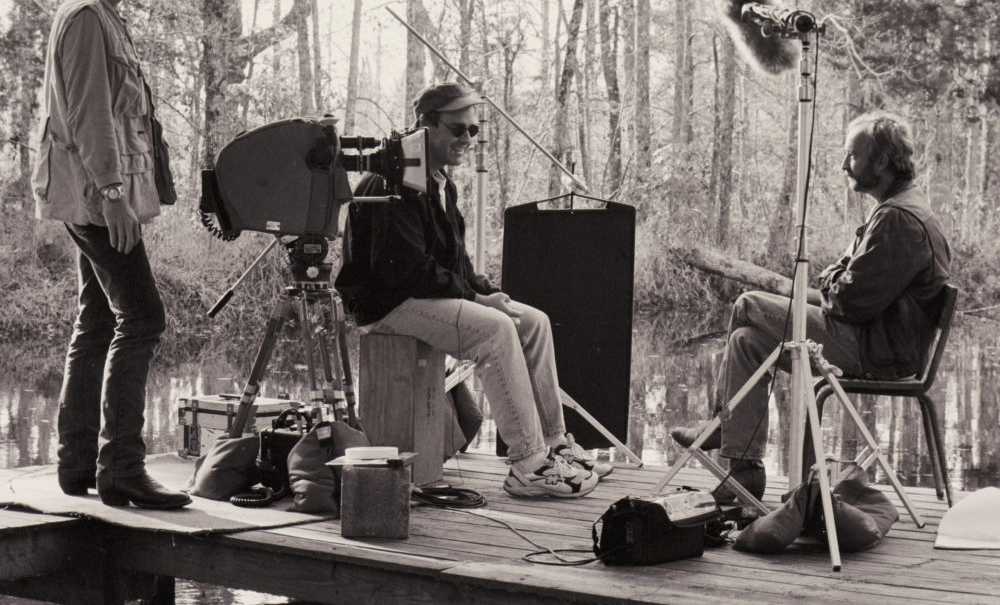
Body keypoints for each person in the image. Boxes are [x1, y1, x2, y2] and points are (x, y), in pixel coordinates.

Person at [335, 81, 611, 498]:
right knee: (494, 330)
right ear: (423, 127)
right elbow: (410, 273)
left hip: (421, 296)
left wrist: (488, 292)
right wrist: (480, 302)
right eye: (457, 129)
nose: (467, 139)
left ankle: (554, 446)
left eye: (473, 131)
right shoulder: (389, 182)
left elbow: (455, 263)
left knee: (531, 321)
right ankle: (527, 463)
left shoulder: (440, 182)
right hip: (387, 305)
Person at [671, 112, 951, 502]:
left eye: (852, 156)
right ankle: (743, 467)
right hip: (878, 338)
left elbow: (848, 300)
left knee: (748, 304)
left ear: (882, 162)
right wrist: (837, 277)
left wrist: (831, 278)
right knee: (747, 343)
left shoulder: (898, 219)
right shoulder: (898, 208)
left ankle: (721, 423)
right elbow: (844, 279)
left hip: (876, 349)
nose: (843, 165)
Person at [31, 0, 190, 509]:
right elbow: (88, 114)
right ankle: (121, 467)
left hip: (95, 195)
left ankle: (78, 466)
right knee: (144, 319)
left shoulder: (104, 19)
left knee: (97, 320)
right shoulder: (85, 18)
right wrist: (114, 192)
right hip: (98, 201)